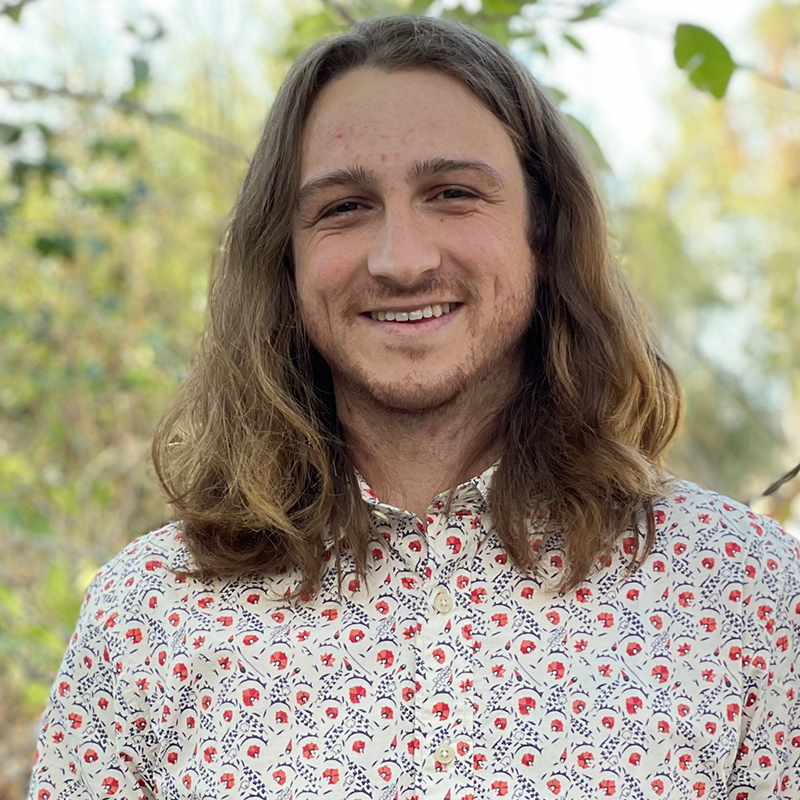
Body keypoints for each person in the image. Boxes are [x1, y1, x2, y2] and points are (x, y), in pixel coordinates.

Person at [29, 14, 800, 800]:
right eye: (343, 206)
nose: (403, 258)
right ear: (283, 259)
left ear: (545, 229)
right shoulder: (149, 615)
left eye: (454, 193)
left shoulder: (741, 598)